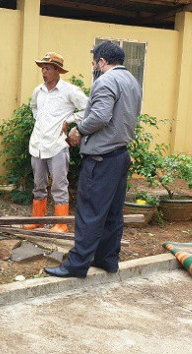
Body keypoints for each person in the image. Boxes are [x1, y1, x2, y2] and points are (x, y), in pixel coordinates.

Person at [45, 41, 142, 278]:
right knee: (112, 213)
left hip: (101, 158)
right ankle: (107, 260)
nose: (93, 66)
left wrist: (78, 131)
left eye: (94, 62)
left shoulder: (106, 80)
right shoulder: (132, 81)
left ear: (101, 62)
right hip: (120, 155)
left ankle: (76, 266)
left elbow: (100, 116)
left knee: (89, 213)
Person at [24, 52, 88, 233]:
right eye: (43, 68)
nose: (44, 72)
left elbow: (88, 108)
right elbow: (34, 107)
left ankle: (61, 224)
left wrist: (69, 119)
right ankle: (38, 220)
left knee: (59, 186)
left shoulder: (69, 91)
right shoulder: (39, 91)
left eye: (48, 68)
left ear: (58, 71)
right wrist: (39, 120)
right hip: (37, 145)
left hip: (57, 146)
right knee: (38, 186)